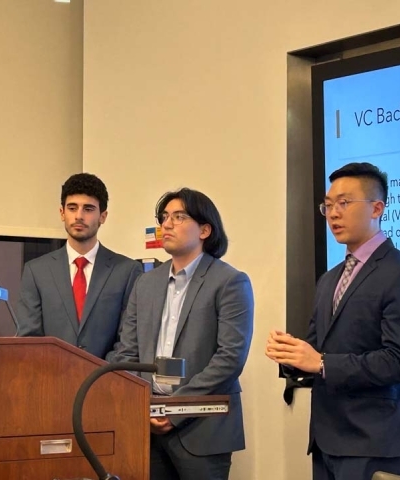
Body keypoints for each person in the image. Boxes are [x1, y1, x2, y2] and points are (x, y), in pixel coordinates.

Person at [266, 162, 400, 480]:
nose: (333, 214)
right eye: (327, 205)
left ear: (377, 208)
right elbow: (317, 348)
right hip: (326, 438)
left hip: (372, 440)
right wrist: (292, 357)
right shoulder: (330, 279)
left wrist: (323, 363)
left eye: (344, 203)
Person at [108, 187, 254, 480]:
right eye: (164, 218)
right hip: (148, 424)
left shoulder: (230, 282)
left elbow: (230, 358)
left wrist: (175, 410)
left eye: (179, 216)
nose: (167, 224)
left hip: (203, 428)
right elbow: (128, 354)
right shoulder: (145, 284)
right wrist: (145, 406)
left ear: (204, 229)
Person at [16, 173, 142, 359]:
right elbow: (30, 338)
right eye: (72, 208)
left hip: (107, 379)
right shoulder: (36, 271)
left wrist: (98, 372)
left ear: (103, 216)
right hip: (51, 378)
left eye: (88, 209)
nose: (79, 216)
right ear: (62, 213)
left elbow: (128, 342)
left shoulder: (127, 271)